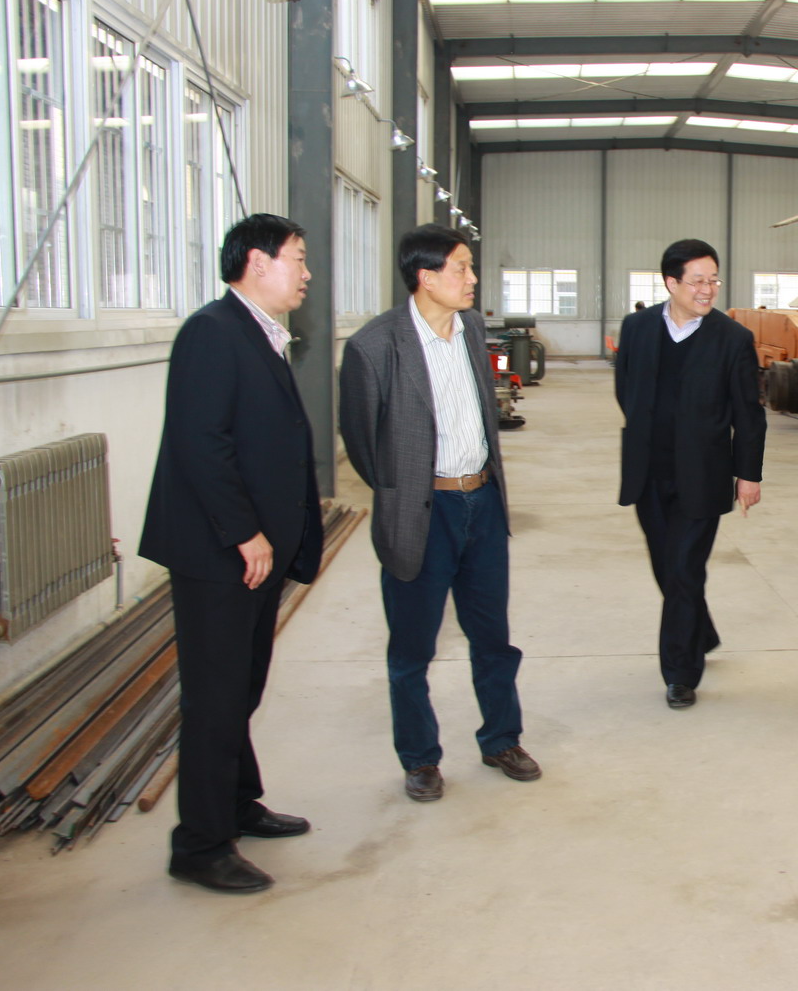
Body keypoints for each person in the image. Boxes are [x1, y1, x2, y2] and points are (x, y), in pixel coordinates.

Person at [139, 213, 323, 894]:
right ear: (257, 261)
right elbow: (200, 441)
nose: (306, 273)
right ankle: (200, 844)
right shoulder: (212, 332)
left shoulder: (258, 332)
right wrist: (245, 531)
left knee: (241, 687)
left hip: (253, 552)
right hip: (220, 551)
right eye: (298, 258)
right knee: (215, 699)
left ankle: (237, 804)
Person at [338, 224, 538, 804]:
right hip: (422, 512)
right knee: (412, 649)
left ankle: (501, 738)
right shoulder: (374, 346)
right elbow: (362, 444)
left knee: (493, 637)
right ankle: (420, 758)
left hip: (483, 503)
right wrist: (408, 492)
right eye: (461, 267)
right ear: (426, 277)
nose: (472, 278)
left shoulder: (471, 328)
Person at [615, 238, 766, 710]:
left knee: (683, 569)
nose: (708, 289)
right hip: (648, 472)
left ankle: (680, 673)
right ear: (671, 283)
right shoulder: (637, 328)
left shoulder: (732, 339)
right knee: (667, 567)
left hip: (703, 474)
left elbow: (749, 413)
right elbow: (625, 390)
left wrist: (748, 474)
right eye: (698, 280)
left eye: (713, 280)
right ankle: (702, 631)